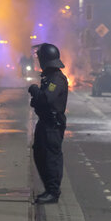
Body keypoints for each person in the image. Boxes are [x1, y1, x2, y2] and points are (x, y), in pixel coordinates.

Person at [29, 43, 69, 204]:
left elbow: (47, 98)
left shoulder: (56, 79)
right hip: (45, 122)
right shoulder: (49, 77)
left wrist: (35, 91)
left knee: (51, 157)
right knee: (40, 154)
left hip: (52, 125)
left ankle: (53, 192)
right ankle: (49, 189)